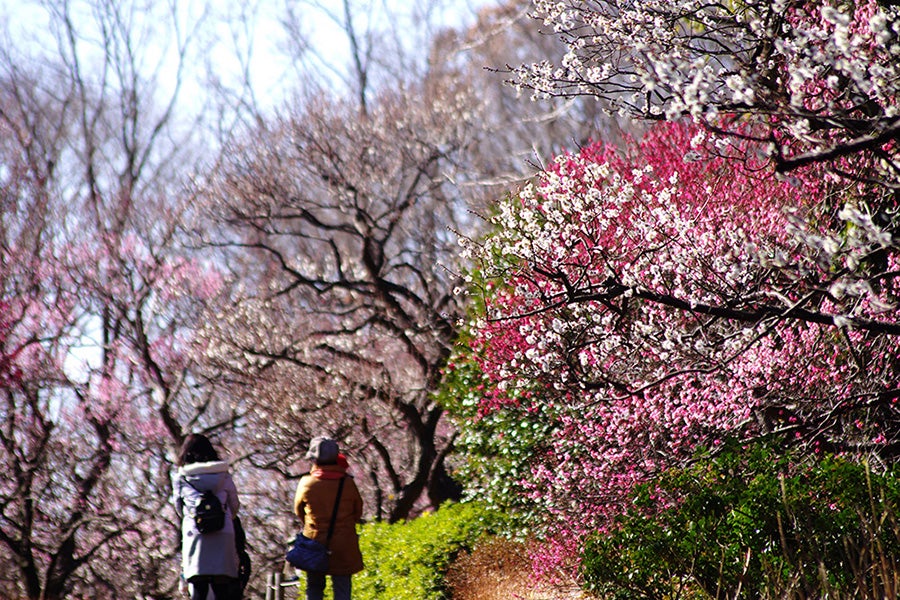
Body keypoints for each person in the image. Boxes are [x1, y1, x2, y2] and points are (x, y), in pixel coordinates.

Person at [293, 437, 364, 600]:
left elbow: (299, 511)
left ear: (314, 459)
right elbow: (357, 511)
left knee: (314, 587)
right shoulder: (348, 483)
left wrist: (311, 525)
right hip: (344, 543)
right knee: (342, 588)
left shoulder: (307, 483)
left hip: (315, 542)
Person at [173, 433, 241, 600]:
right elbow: (234, 506)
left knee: (198, 589)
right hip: (223, 535)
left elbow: (179, 508)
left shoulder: (181, 478)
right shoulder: (224, 475)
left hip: (195, 535)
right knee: (222, 589)